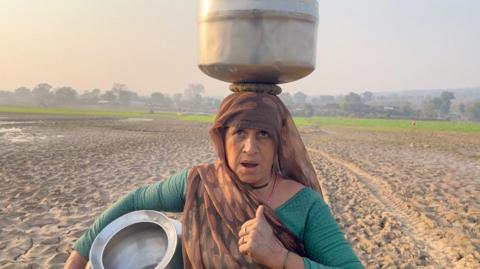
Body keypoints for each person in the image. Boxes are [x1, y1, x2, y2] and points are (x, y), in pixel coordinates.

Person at [65, 92, 363, 269]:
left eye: (263, 134)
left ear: (279, 144)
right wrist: (77, 259)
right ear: (222, 138)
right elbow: (135, 202)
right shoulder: (201, 183)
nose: (250, 147)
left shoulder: (305, 205)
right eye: (239, 133)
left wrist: (278, 256)